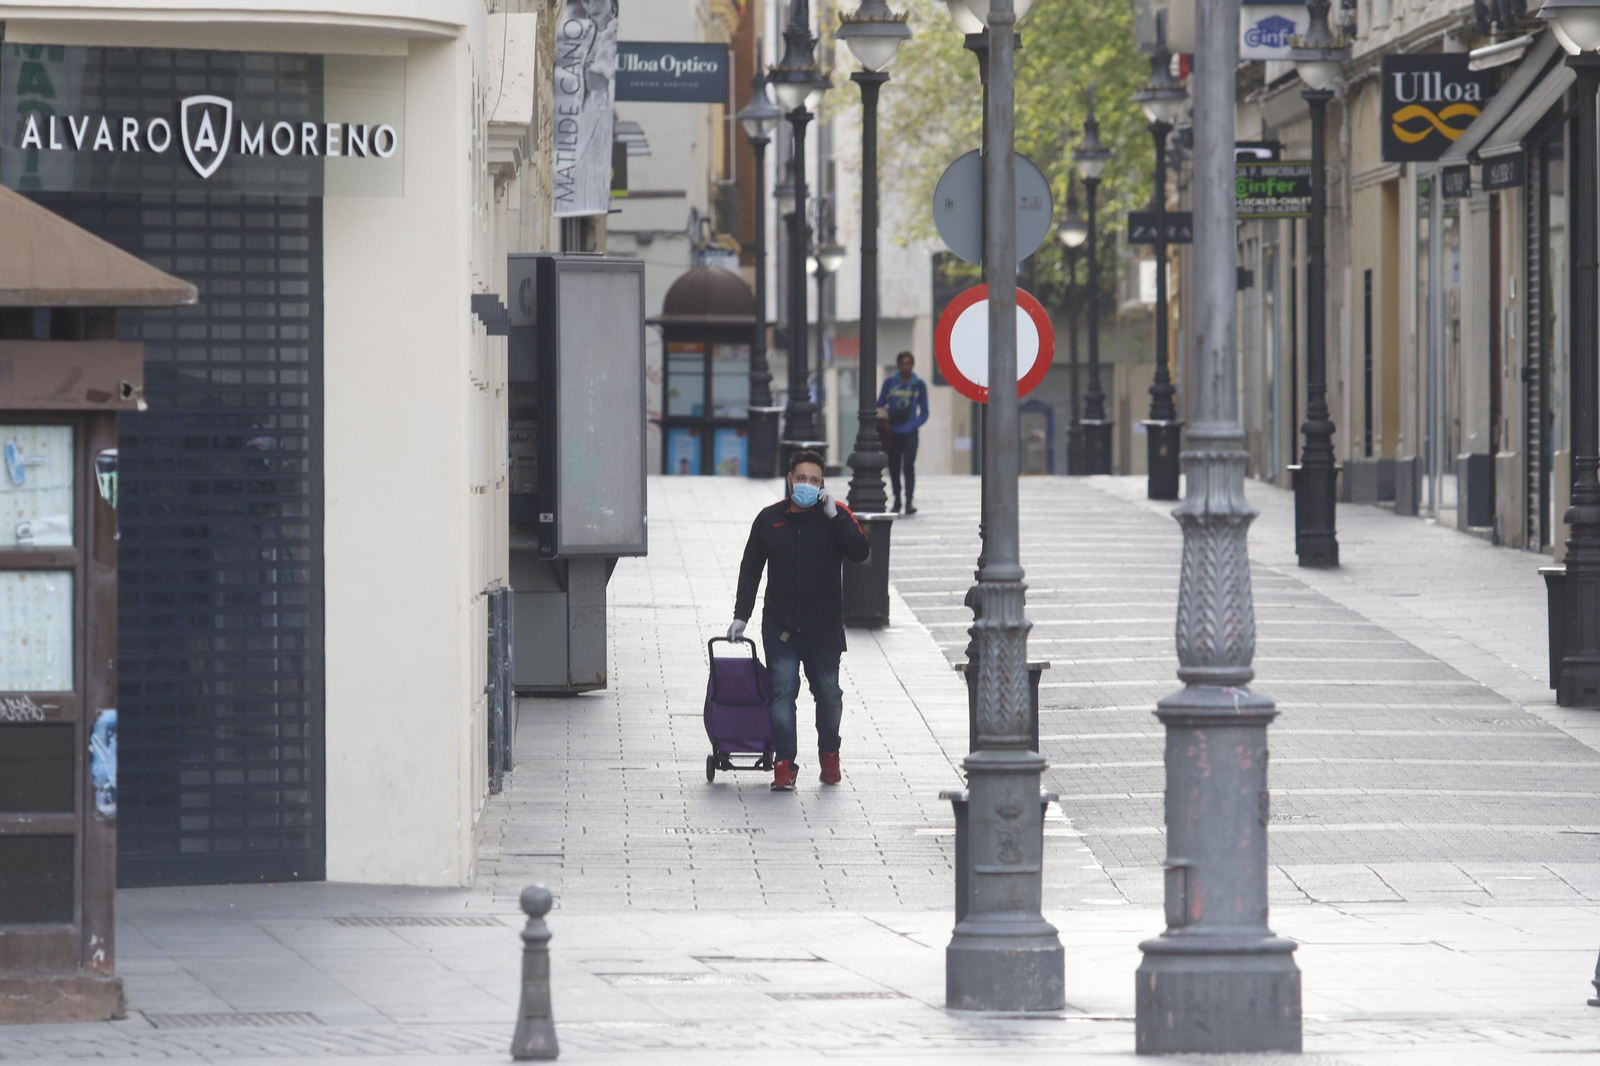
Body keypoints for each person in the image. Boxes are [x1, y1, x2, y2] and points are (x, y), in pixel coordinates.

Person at [727, 450, 870, 791]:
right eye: (801, 478)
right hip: (781, 629)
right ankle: (784, 765)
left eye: (814, 480)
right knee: (781, 695)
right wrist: (741, 616)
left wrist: (835, 517)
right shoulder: (769, 519)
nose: (807, 485)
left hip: (824, 629)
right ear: (790, 479)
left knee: (829, 696)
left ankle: (829, 755)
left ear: (823, 484)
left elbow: (861, 552)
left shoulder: (836, 515)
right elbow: (751, 568)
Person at [877, 351, 929, 514]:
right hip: (892, 433)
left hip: (910, 434)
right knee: (894, 468)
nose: (905, 367)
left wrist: (913, 425)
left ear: (912, 365)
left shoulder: (919, 385)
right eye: (902, 363)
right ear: (898, 365)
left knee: (908, 467)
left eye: (908, 363)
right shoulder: (890, 382)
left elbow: (925, 412)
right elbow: (880, 403)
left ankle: (909, 501)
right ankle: (897, 501)